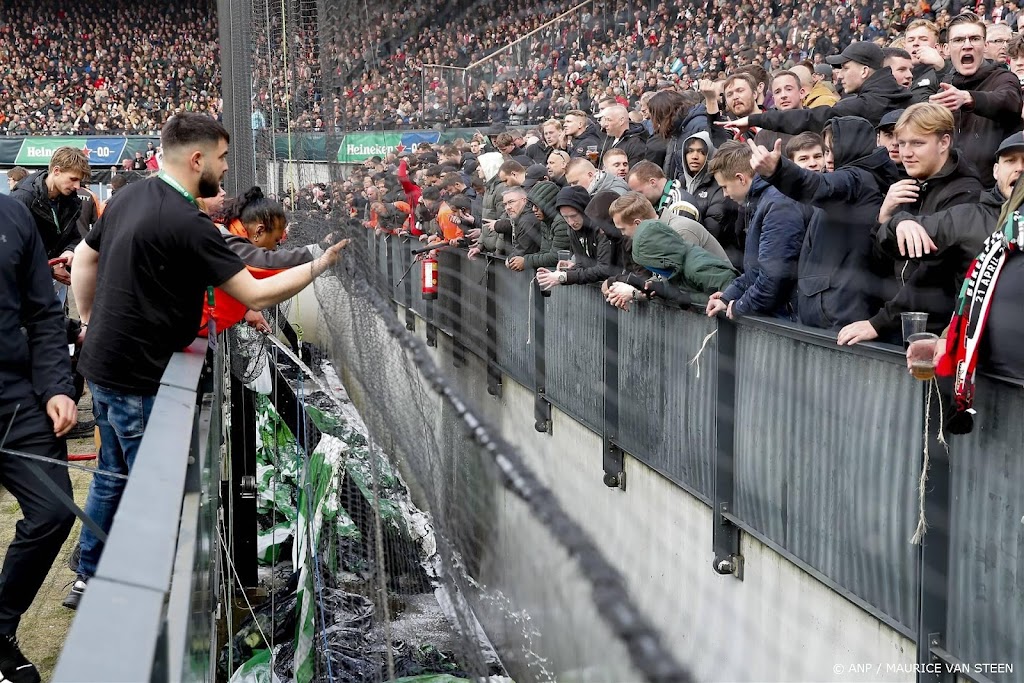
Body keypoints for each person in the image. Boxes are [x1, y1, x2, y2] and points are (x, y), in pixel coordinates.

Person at [65, 113, 349, 609]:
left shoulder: (129, 194)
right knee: (153, 493)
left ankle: (90, 572)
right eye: (221, 158)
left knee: (111, 474)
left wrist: (90, 319)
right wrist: (319, 265)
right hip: (137, 376)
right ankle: (142, 596)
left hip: (102, 366)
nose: (224, 168)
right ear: (197, 160)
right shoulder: (190, 222)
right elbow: (253, 294)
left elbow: (84, 259)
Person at [0, 193, 77, 683]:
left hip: (16, 396)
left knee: (53, 510)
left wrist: (56, 386)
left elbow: (44, 313)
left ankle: (1, 626)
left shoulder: (12, 214)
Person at [705, 141, 812, 319]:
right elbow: (756, 271)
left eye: (724, 186)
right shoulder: (764, 200)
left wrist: (740, 306)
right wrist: (728, 297)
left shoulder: (778, 204)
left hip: (788, 319)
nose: (724, 194)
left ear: (741, 178)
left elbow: (773, 280)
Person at [10, 147, 89, 287]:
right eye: (73, 179)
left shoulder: (70, 200)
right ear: (56, 171)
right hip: (24, 289)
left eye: (79, 181)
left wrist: (69, 251)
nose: (77, 186)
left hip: (53, 286)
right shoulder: (22, 199)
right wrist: (50, 269)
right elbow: (10, 251)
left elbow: (74, 237)